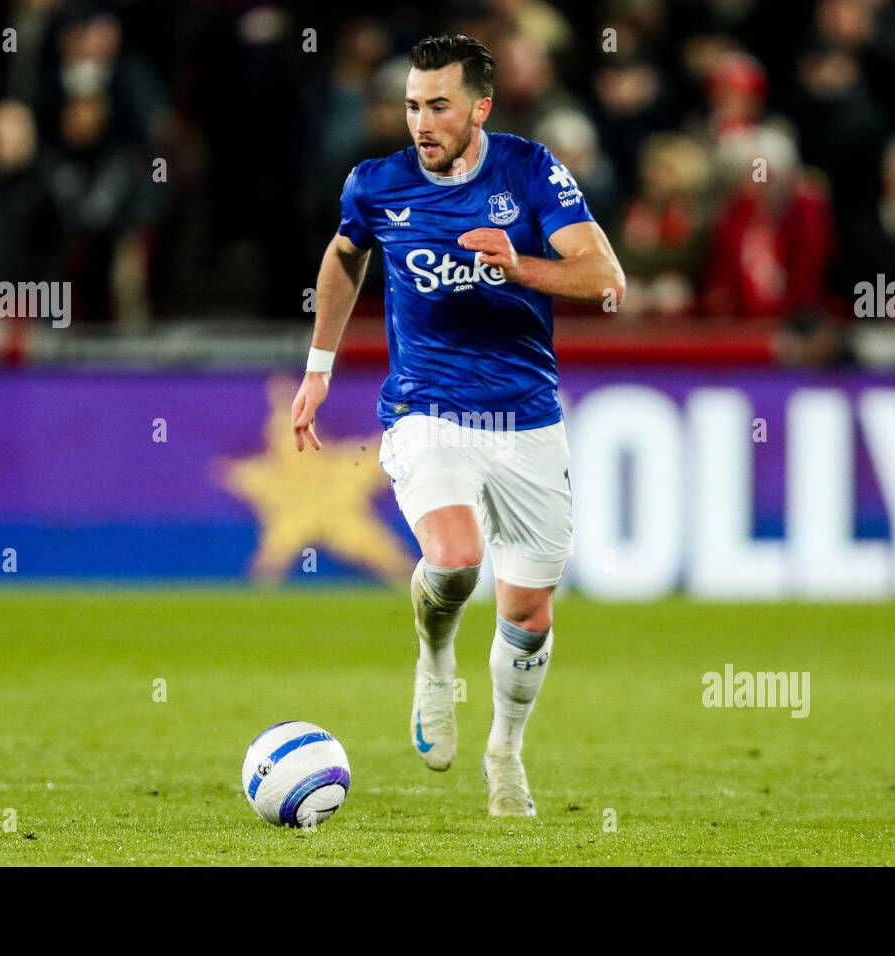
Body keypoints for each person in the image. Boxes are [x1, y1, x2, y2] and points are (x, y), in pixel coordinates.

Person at [289, 34, 625, 817]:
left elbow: (603, 276)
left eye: (438, 105)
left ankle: (504, 750)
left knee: (527, 615)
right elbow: (345, 259)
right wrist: (318, 368)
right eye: (412, 105)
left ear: (480, 107)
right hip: (427, 409)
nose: (421, 122)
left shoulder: (531, 169)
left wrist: (520, 267)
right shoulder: (376, 185)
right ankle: (435, 660)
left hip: (528, 417)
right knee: (455, 555)